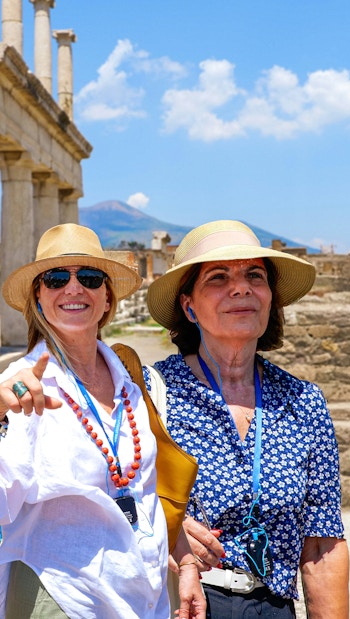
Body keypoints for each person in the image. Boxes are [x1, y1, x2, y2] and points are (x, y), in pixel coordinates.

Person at [144, 219, 350, 618]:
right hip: (183, 602)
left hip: (273, 607)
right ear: (189, 305)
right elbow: (107, 497)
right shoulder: (150, 393)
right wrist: (164, 526)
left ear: (270, 297)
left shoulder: (304, 402)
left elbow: (322, 543)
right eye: (218, 278)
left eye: (254, 275)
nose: (241, 287)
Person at [0, 224, 205, 619]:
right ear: (38, 297)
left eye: (90, 278)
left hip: (140, 595)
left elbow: (145, 491)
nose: (74, 289)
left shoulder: (129, 381)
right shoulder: (25, 388)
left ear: (106, 297)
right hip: (61, 595)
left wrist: (187, 564)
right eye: (57, 278)